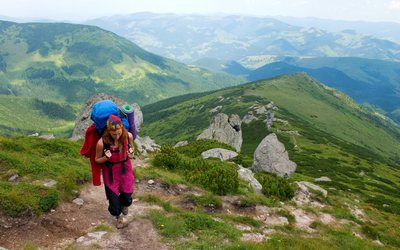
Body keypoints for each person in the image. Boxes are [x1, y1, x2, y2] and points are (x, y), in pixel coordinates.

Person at [95, 114, 135, 229]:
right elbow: (97, 160)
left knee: (127, 196)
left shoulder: (128, 136)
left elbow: (132, 151)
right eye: (113, 134)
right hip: (111, 171)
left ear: (122, 128)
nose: (117, 136)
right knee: (113, 200)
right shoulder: (102, 143)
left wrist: (131, 154)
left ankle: (125, 205)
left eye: (118, 133)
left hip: (125, 169)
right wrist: (106, 158)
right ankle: (119, 218)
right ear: (108, 130)